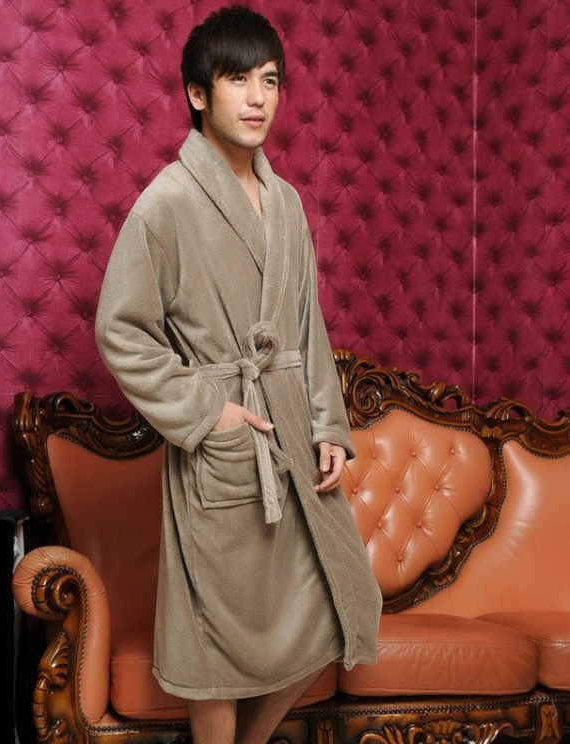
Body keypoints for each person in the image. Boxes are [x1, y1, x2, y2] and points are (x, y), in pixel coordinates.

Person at [94, 5, 383, 743]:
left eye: (270, 81)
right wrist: (207, 412)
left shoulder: (286, 203)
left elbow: (307, 327)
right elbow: (120, 330)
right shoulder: (166, 203)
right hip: (225, 442)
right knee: (217, 643)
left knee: (336, 603)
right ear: (198, 94)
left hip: (291, 429)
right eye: (237, 80)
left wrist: (328, 426)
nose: (258, 99)